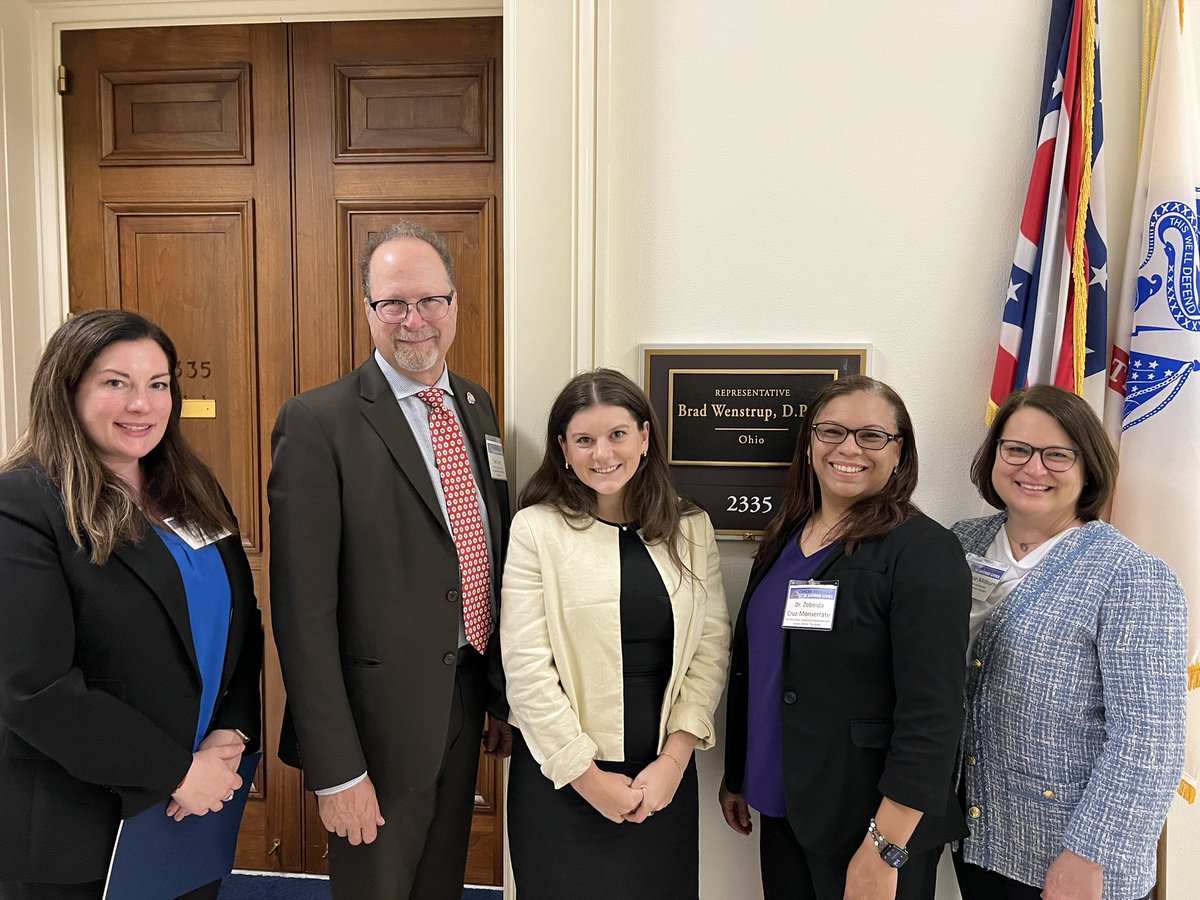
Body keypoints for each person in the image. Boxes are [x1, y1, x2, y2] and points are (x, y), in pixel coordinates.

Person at [269, 221, 512, 899]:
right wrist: (336, 771)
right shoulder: (318, 422)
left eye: (430, 301)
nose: (414, 322)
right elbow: (302, 613)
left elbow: (486, 553)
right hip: (372, 725)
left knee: (440, 885)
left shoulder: (476, 406)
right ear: (368, 309)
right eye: (393, 304)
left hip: (463, 699)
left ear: (455, 304)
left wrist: (496, 692)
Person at [0, 310, 262, 900]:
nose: (141, 404)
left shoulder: (193, 489)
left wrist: (233, 728)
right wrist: (175, 772)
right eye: (114, 382)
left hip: (188, 812)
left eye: (158, 384)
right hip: (76, 831)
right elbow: (33, 689)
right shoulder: (22, 506)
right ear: (67, 390)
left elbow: (240, 621)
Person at [718, 375, 970, 900]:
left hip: (868, 823)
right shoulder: (786, 536)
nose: (848, 448)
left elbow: (934, 714)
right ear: (810, 444)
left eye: (872, 436)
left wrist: (886, 847)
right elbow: (761, 666)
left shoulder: (922, 551)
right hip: (784, 804)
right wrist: (740, 773)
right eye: (831, 431)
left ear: (900, 453)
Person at [499, 368, 730, 900]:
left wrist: (674, 762)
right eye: (584, 439)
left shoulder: (690, 526)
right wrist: (587, 777)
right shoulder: (536, 528)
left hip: (662, 771)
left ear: (645, 437)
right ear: (563, 448)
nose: (602, 453)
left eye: (617, 434)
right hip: (562, 772)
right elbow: (527, 669)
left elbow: (711, 649)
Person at [951, 385, 1187, 900]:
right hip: (979, 837)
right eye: (1016, 449)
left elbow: (1149, 740)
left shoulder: (1131, 577)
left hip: (1071, 862)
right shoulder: (959, 543)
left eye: (1058, 455)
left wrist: (1092, 854)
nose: (1033, 468)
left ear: (1089, 468)